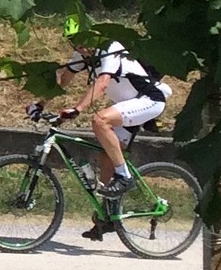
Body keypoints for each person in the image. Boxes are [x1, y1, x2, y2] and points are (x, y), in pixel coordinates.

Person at [65, 39, 165, 229]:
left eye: (81, 40)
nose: (80, 47)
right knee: (106, 157)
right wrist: (39, 104)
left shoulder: (110, 49)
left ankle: (124, 177)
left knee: (100, 120)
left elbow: (102, 84)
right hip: (129, 106)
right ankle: (108, 217)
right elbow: (62, 81)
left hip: (148, 100)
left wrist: (77, 109)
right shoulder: (83, 56)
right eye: (74, 43)